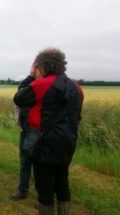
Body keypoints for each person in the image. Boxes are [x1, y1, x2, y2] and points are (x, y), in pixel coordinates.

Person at [14, 48, 84, 215]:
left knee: (45, 188)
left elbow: (19, 98)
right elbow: (77, 117)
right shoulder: (77, 87)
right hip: (68, 142)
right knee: (62, 182)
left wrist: (31, 75)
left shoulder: (43, 83)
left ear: (42, 65)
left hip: (45, 144)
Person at [9, 71, 36, 201]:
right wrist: (31, 75)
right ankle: (22, 190)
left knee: (41, 165)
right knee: (25, 162)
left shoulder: (48, 86)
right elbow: (20, 92)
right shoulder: (31, 85)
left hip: (41, 132)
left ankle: (42, 196)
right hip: (26, 129)